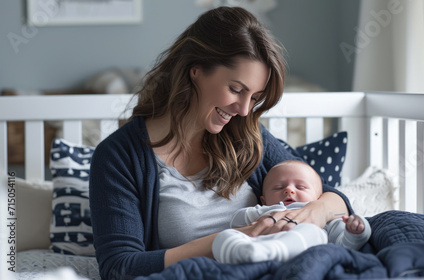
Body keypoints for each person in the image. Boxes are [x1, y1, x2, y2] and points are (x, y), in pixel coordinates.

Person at [89, 6, 353, 279]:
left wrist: (314, 211)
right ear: (196, 70)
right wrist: (241, 237)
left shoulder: (247, 137)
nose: (244, 110)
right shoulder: (118, 157)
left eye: (254, 97)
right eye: (236, 90)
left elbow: (333, 198)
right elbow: (119, 267)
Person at [212, 160, 371, 264]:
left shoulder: (325, 220)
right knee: (225, 236)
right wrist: (271, 212)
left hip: (300, 256)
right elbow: (236, 221)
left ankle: (265, 253)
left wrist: (356, 231)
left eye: (300, 187)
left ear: (319, 197)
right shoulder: (265, 210)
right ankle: (241, 253)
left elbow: (343, 245)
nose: (289, 190)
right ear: (264, 200)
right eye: (278, 188)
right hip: (257, 249)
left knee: (314, 232)